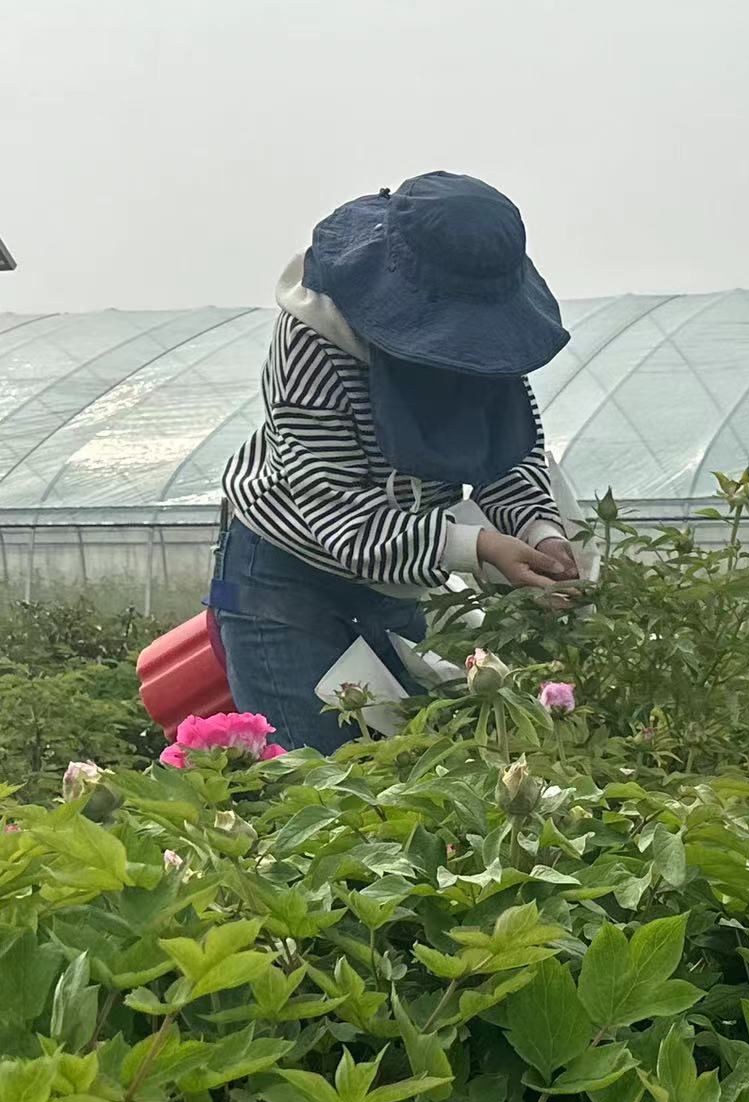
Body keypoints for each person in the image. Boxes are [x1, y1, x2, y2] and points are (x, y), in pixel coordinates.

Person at [213, 172, 580, 752]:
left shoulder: (489, 338)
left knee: (407, 771)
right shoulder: (316, 336)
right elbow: (338, 516)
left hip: (400, 578)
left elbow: (508, 451)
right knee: (317, 786)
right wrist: (480, 547)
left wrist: (543, 531)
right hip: (288, 577)